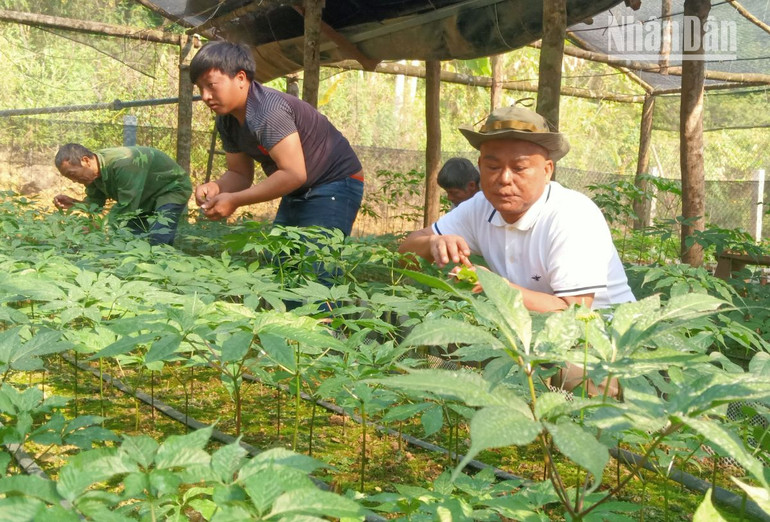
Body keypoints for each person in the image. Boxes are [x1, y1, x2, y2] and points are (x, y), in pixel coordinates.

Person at [399, 105, 635, 314]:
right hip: (529, 337)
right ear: (480, 166)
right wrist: (431, 244)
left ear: (547, 170)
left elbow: (574, 314)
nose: (504, 178)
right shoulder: (479, 207)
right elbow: (405, 255)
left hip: (605, 342)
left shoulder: (572, 215)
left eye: (520, 167)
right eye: (492, 166)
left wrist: (497, 287)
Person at [188, 41, 364, 236]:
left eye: (211, 85)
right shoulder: (226, 120)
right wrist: (217, 187)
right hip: (298, 188)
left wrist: (235, 200)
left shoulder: (268, 110)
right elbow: (239, 174)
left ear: (240, 78)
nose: (205, 96)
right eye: (200, 88)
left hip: (336, 181)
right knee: (282, 262)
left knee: (316, 263)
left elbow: (293, 174)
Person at [53, 143, 192, 246]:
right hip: (142, 198)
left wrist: (97, 227)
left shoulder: (123, 163)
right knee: (131, 238)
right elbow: (95, 204)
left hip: (170, 189)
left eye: (72, 174)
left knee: (158, 238)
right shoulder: (92, 173)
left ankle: (164, 275)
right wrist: (75, 203)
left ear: (85, 161)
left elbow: (127, 207)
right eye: (69, 178)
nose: (74, 180)